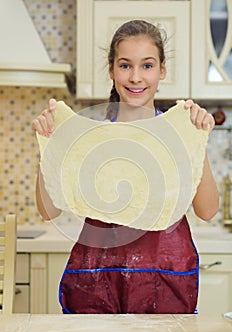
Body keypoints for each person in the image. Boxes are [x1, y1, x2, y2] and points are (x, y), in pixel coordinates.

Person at [32, 20, 219, 314]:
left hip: (165, 277)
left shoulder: (178, 133)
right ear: (111, 70)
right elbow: (48, 211)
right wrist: (48, 149)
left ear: (162, 70)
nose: (135, 77)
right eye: (124, 65)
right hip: (97, 281)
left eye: (147, 65)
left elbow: (207, 211)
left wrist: (197, 140)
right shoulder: (89, 138)